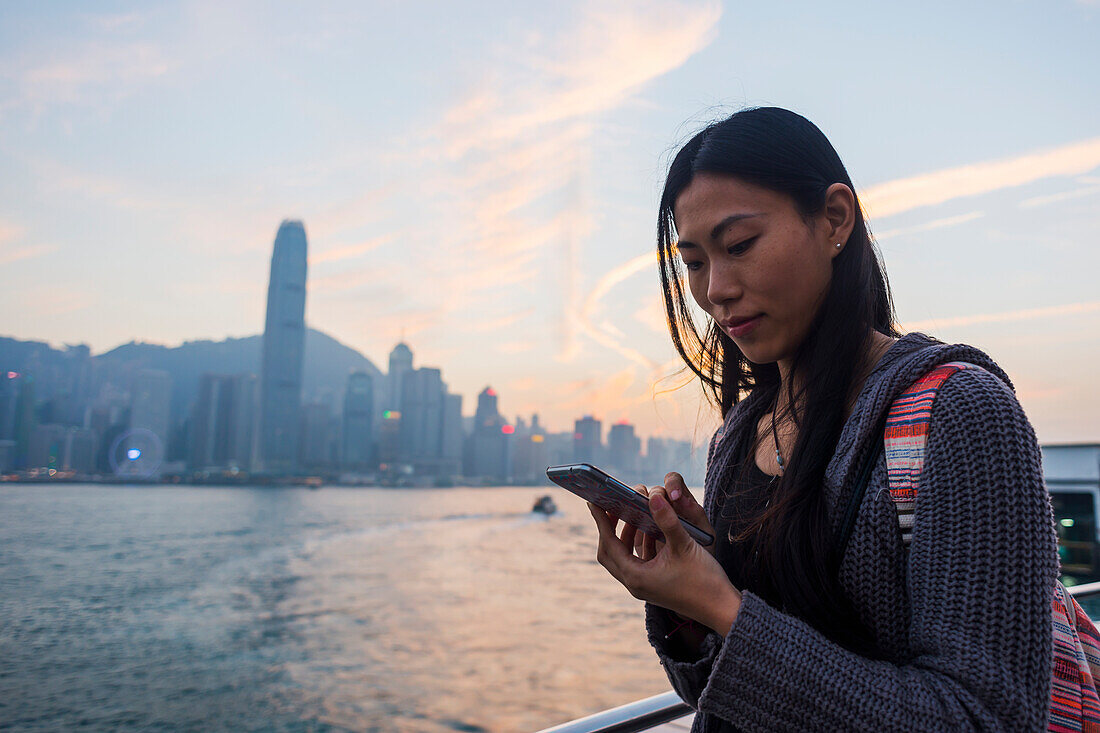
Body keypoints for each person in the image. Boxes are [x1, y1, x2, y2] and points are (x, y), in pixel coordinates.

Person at [587, 107, 1059, 731]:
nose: (716, 290)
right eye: (695, 262)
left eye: (740, 246)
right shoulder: (738, 437)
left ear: (834, 219)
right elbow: (722, 694)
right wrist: (686, 601)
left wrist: (725, 607)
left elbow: (986, 717)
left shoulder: (959, 414)